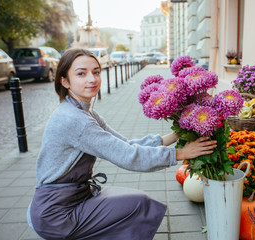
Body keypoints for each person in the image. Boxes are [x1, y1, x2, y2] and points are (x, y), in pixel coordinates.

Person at [27, 48, 217, 240]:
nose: (92, 79)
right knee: (140, 205)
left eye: (96, 72)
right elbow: (127, 156)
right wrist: (180, 154)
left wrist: (174, 136)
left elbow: (125, 144)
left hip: (73, 198)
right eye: (81, 74)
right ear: (65, 81)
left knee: (135, 204)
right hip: (58, 213)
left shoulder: (84, 113)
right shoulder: (75, 119)